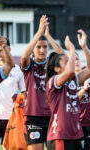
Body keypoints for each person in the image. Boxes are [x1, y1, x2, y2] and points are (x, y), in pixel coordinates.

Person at [45, 33, 90, 150]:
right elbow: (70, 72)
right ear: (57, 69)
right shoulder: (53, 81)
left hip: (76, 134)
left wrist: (84, 47)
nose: (72, 63)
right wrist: (72, 49)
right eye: (67, 62)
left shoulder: (73, 79)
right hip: (60, 135)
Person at [20, 15, 65, 150]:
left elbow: (64, 58)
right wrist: (39, 32)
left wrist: (48, 36)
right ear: (34, 49)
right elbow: (23, 57)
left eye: (45, 47)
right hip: (33, 117)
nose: (42, 50)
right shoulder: (30, 65)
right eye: (38, 47)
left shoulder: (52, 65)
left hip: (53, 116)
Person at [0, 38, 26, 144]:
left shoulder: (18, 70)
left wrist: (21, 102)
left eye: (1, 50)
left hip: (12, 117)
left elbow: (24, 92)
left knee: (10, 147)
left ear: (8, 49)